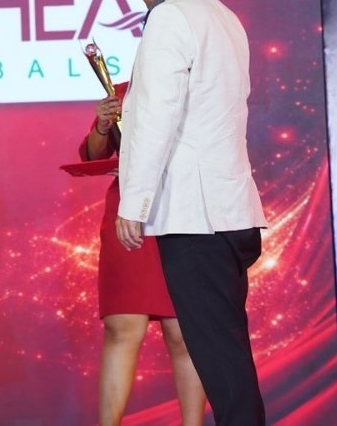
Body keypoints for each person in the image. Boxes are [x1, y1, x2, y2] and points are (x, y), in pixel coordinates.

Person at [115, 0, 268, 425]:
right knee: (227, 353)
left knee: (220, 360)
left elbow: (155, 117)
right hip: (231, 210)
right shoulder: (224, 16)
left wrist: (134, 202)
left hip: (194, 216)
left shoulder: (170, 17)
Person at [79, 92, 206, 425]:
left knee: (184, 333)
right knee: (123, 327)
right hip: (128, 214)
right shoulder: (125, 91)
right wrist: (103, 126)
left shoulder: (199, 86)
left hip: (184, 210)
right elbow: (94, 155)